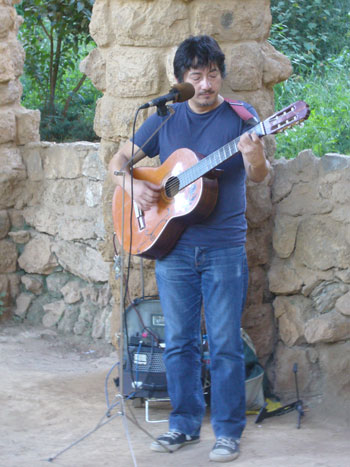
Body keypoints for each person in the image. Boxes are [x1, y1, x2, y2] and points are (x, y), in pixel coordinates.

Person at [109, 35, 270, 463]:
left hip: (223, 248)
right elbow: (118, 162)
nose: (205, 84)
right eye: (196, 76)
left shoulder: (241, 117)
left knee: (224, 344)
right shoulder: (164, 119)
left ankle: (228, 433)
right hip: (172, 247)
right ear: (181, 80)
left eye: (212, 74)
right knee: (178, 342)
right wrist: (134, 187)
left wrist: (253, 156)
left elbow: (259, 176)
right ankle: (182, 426)